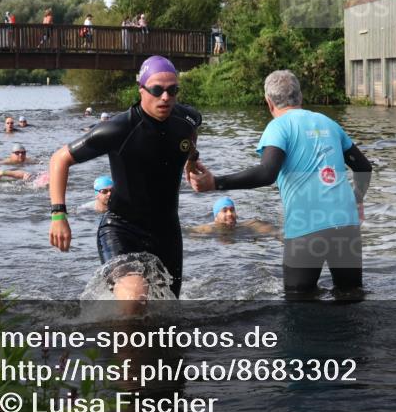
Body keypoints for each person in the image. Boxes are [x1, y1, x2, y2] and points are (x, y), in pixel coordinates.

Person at [189, 69, 371, 295]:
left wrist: (215, 183)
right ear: (300, 97)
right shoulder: (328, 122)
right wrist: (356, 200)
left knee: (299, 302)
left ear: (268, 102)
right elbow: (363, 167)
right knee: (351, 295)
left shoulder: (278, 127)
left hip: (307, 225)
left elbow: (267, 173)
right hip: (345, 221)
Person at [47, 55, 201, 300]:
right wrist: (58, 215)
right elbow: (59, 159)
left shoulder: (187, 118)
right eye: (157, 90)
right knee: (133, 296)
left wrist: (192, 161)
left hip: (167, 231)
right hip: (122, 228)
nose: (165, 97)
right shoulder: (118, 129)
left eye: (172, 91)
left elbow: (190, 136)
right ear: (141, 90)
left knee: (168, 312)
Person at [191, 196, 277, 236]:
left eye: (232, 210)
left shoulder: (249, 224)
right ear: (216, 217)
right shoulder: (208, 228)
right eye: (224, 211)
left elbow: (274, 231)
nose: (229, 213)